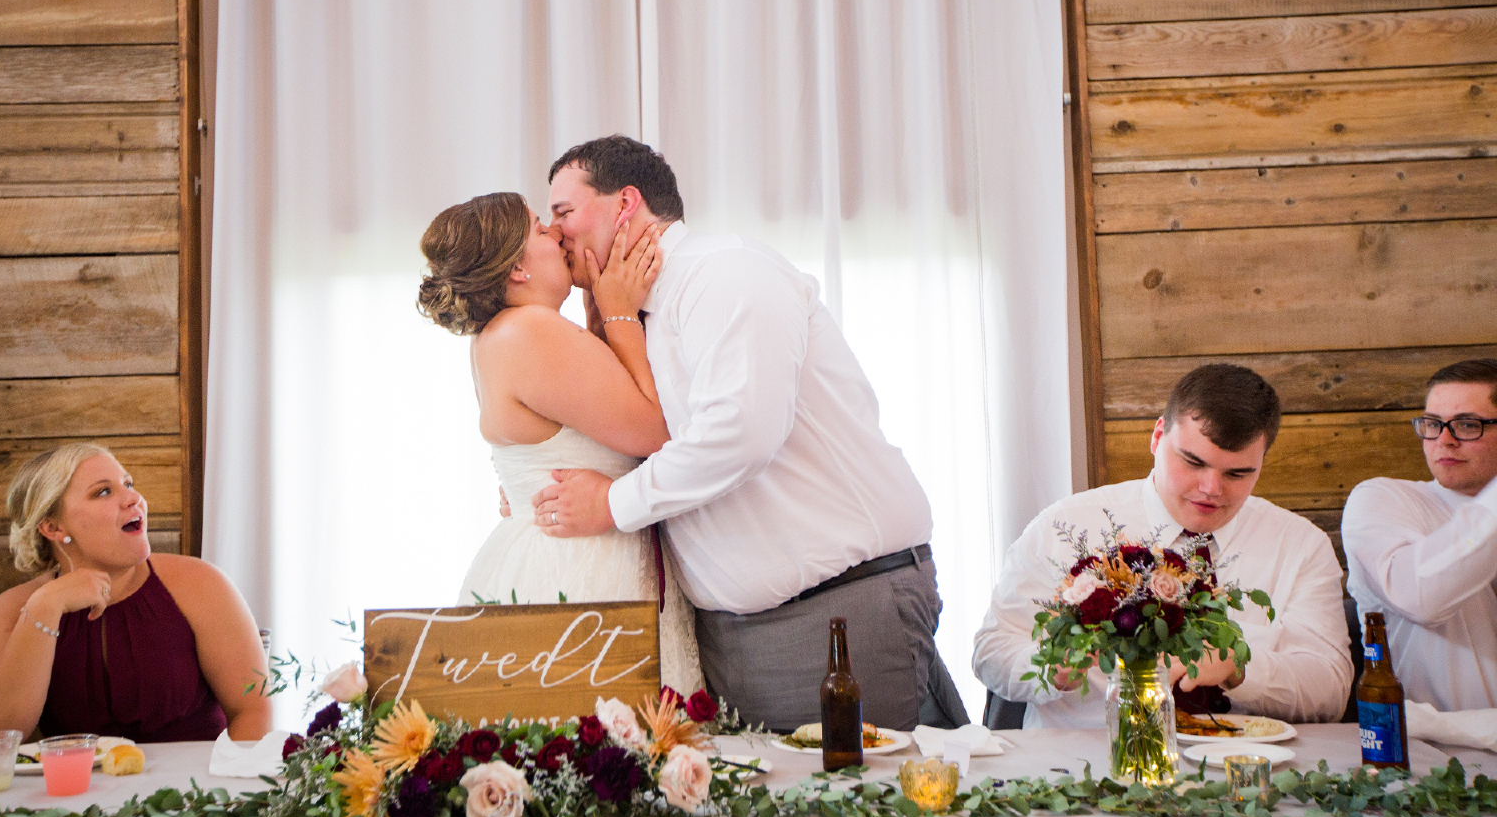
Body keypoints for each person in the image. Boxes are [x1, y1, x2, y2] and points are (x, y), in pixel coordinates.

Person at [532, 135, 967, 731]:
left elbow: (741, 431)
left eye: (564, 213)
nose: (555, 234)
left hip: (835, 612)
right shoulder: (631, 315)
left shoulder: (724, 274)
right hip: (728, 636)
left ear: (625, 203)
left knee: (868, 814)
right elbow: (648, 439)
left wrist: (610, 503)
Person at [417, 191, 703, 694]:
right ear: (517, 270)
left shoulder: (503, 334)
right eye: (537, 228)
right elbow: (657, 432)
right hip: (580, 569)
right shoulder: (529, 331)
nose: (554, 232)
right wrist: (618, 313)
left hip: (556, 551)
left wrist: (599, 317)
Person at [973, 364, 1352, 727]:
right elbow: (990, 652)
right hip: (1081, 762)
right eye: (1192, 462)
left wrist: (1242, 670)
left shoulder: (1302, 546)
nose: (1211, 489)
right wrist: (1047, 667)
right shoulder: (1063, 527)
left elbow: (1331, 693)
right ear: (1157, 437)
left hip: (1242, 767)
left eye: (1237, 473)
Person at [0, 444, 271, 741]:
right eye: (103, 491)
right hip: (76, 790)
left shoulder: (201, 583)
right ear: (53, 527)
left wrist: (227, 789)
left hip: (195, 788)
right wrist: (47, 604)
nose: (133, 498)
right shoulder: (14, 608)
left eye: (128, 484)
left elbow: (253, 712)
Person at [1342, 358, 1497, 711]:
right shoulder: (1383, 499)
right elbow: (1422, 598)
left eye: (1467, 425)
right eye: (1433, 424)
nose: (1444, 440)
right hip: (1430, 751)